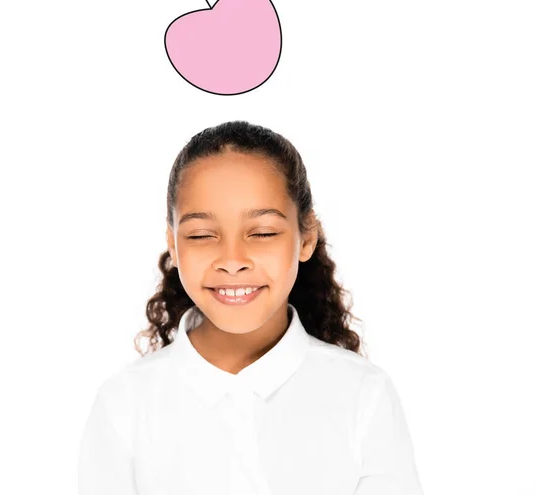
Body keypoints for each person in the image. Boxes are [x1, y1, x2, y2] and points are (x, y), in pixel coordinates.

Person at [78, 120, 424, 495]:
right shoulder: (125, 405)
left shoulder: (364, 396)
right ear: (174, 245)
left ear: (306, 237)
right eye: (201, 235)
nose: (232, 260)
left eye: (262, 233)